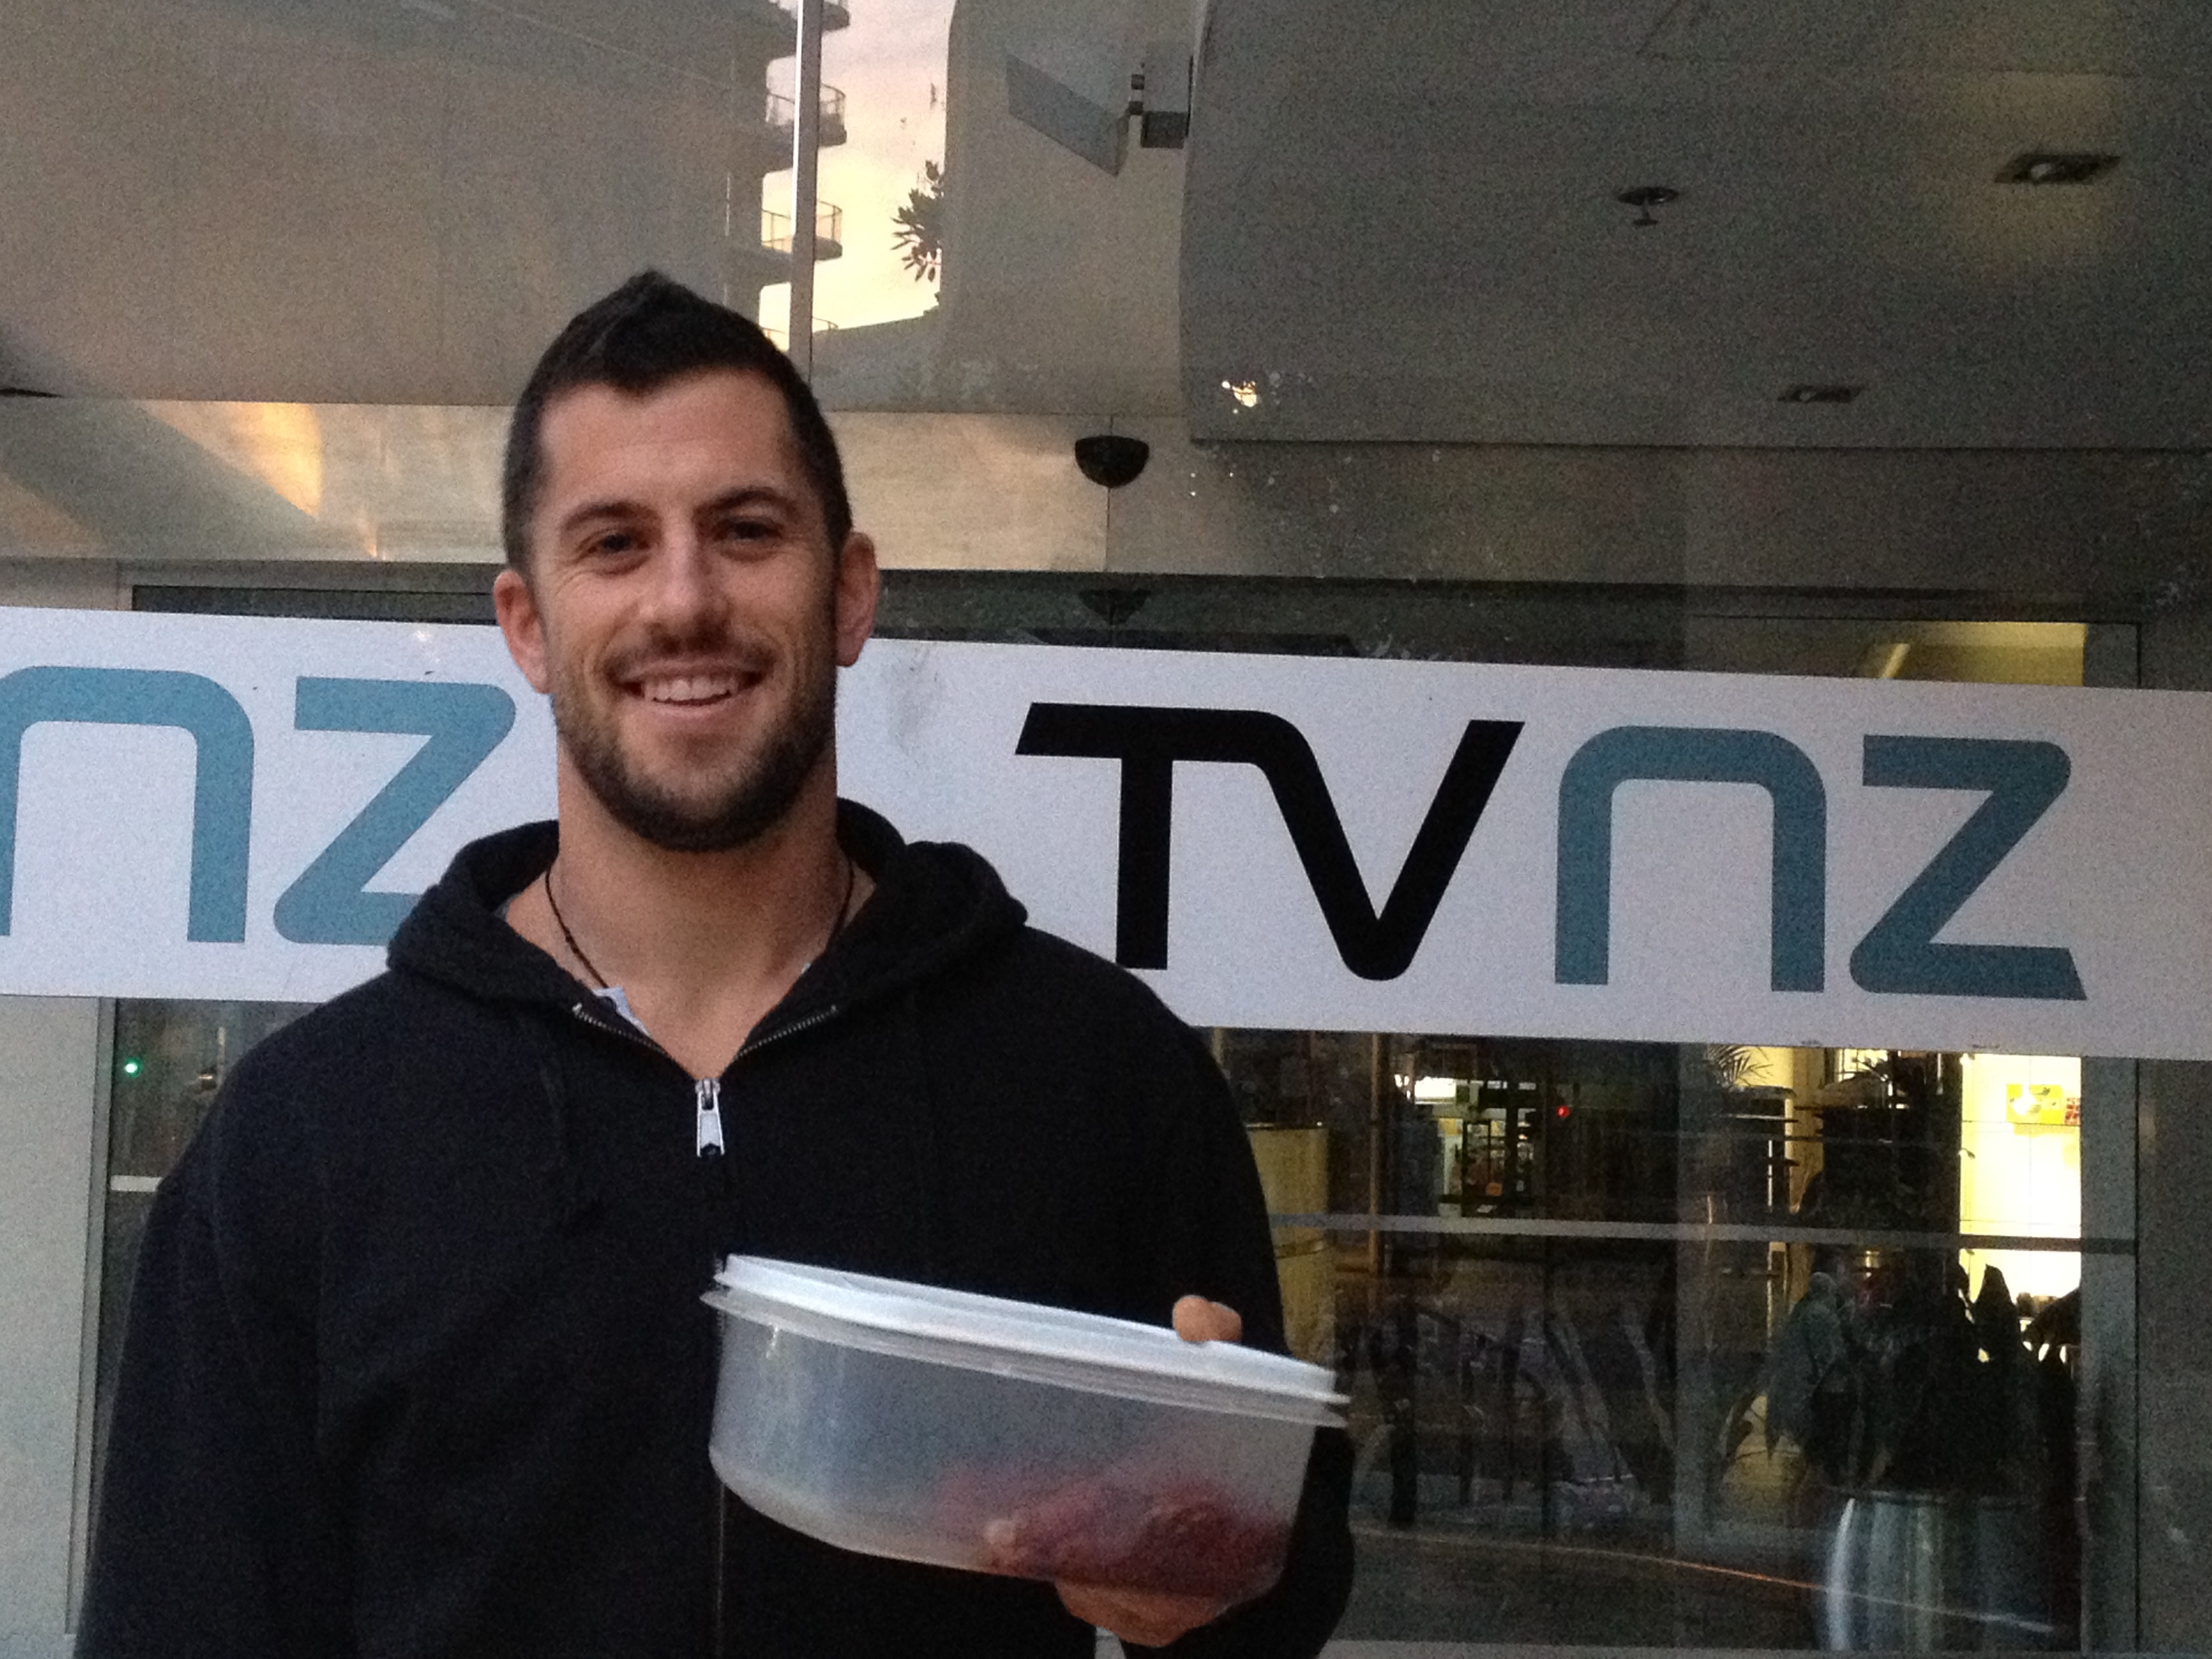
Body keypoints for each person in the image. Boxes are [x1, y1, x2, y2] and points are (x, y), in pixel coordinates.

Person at [80, 272, 1354, 1657]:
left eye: (746, 531)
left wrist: (1225, 1549)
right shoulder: (307, 1140)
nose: (684, 600)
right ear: (527, 625)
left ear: (849, 592)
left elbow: (1277, 1596)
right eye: (614, 544)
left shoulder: (1096, 1075)